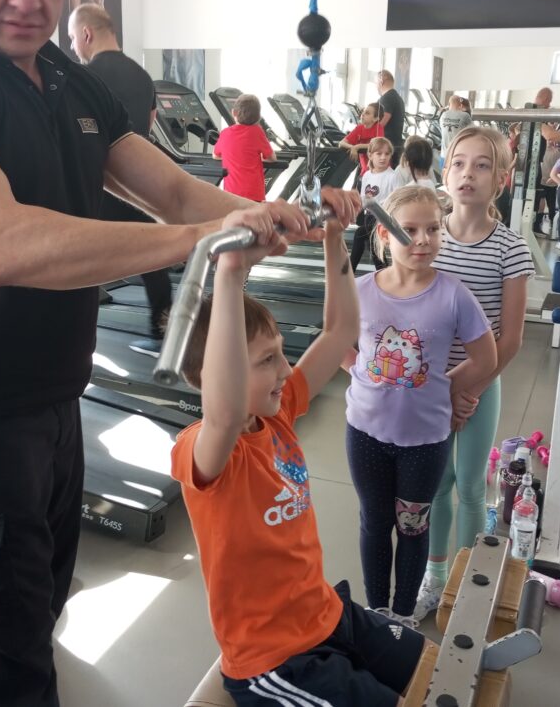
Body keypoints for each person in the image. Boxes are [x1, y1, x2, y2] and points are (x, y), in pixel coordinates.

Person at [0, 0, 353, 704]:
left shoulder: (69, 80)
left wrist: (272, 217)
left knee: (22, 634)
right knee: (7, 669)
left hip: (59, 404)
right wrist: (208, 239)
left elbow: (177, 194)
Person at [170, 190, 427, 706]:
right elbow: (223, 413)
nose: (286, 370)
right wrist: (229, 273)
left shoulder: (279, 414)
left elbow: (340, 331)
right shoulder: (204, 452)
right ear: (213, 374)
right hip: (276, 659)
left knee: (433, 667)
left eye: (280, 354)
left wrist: (334, 237)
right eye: (266, 360)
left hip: (328, 614)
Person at [344, 184, 496, 625]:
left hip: (425, 442)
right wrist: (362, 372)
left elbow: (485, 358)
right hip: (365, 434)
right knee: (374, 522)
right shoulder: (361, 290)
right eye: (408, 230)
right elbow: (336, 341)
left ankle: (404, 615)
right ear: (384, 235)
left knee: (413, 527)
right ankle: (377, 611)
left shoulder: (453, 295)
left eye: (432, 229)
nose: (423, 240)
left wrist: (442, 387)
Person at [418, 126, 534, 614]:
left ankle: (464, 585)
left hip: (479, 387)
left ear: (501, 180)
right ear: (446, 174)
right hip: (430, 387)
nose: (469, 174)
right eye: (460, 163)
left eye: (482, 165)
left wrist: (469, 389)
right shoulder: (429, 240)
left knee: (469, 485)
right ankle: (435, 576)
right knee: (436, 485)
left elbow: (510, 338)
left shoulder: (510, 249)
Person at [68, 2, 170, 356]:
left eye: (72, 38)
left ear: (86, 34)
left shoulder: (82, 77)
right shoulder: (142, 76)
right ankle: (164, 333)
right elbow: (150, 122)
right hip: (138, 186)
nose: (73, 47)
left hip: (97, 187)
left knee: (78, 264)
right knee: (153, 261)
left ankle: (74, 342)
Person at [212, 94, 276, 202]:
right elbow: (272, 158)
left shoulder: (225, 133)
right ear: (258, 117)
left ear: (233, 113)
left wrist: (232, 156)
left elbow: (215, 155)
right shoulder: (257, 132)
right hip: (254, 195)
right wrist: (259, 158)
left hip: (231, 195)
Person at [350, 137, 399, 272]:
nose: (383, 157)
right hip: (370, 217)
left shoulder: (392, 176)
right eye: (379, 154)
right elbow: (363, 199)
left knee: (364, 237)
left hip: (383, 218)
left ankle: (349, 271)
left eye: (387, 154)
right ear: (370, 155)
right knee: (372, 246)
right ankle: (382, 271)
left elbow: (398, 200)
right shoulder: (367, 175)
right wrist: (355, 212)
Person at [339, 102, 384, 181]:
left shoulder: (378, 127)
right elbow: (341, 143)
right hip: (365, 172)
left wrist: (358, 146)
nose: (362, 114)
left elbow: (378, 144)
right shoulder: (359, 128)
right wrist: (352, 147)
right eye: (363, 112)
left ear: (376, 118)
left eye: (367, 113)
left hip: (379, 171)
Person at [376, 70, 406, 168]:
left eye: (376, 82)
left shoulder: (387, 98)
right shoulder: (397, 97)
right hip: (393, 144)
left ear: (381, 81)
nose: (376, 86)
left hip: (387, 146)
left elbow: (382, 123)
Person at [438, 95, 473, 169]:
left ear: (449, 104)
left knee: (444, 175)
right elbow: (473, 133)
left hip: (444, 156)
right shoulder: (465, 115)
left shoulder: (443, 115)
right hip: (458, 155)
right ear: (461, 105)